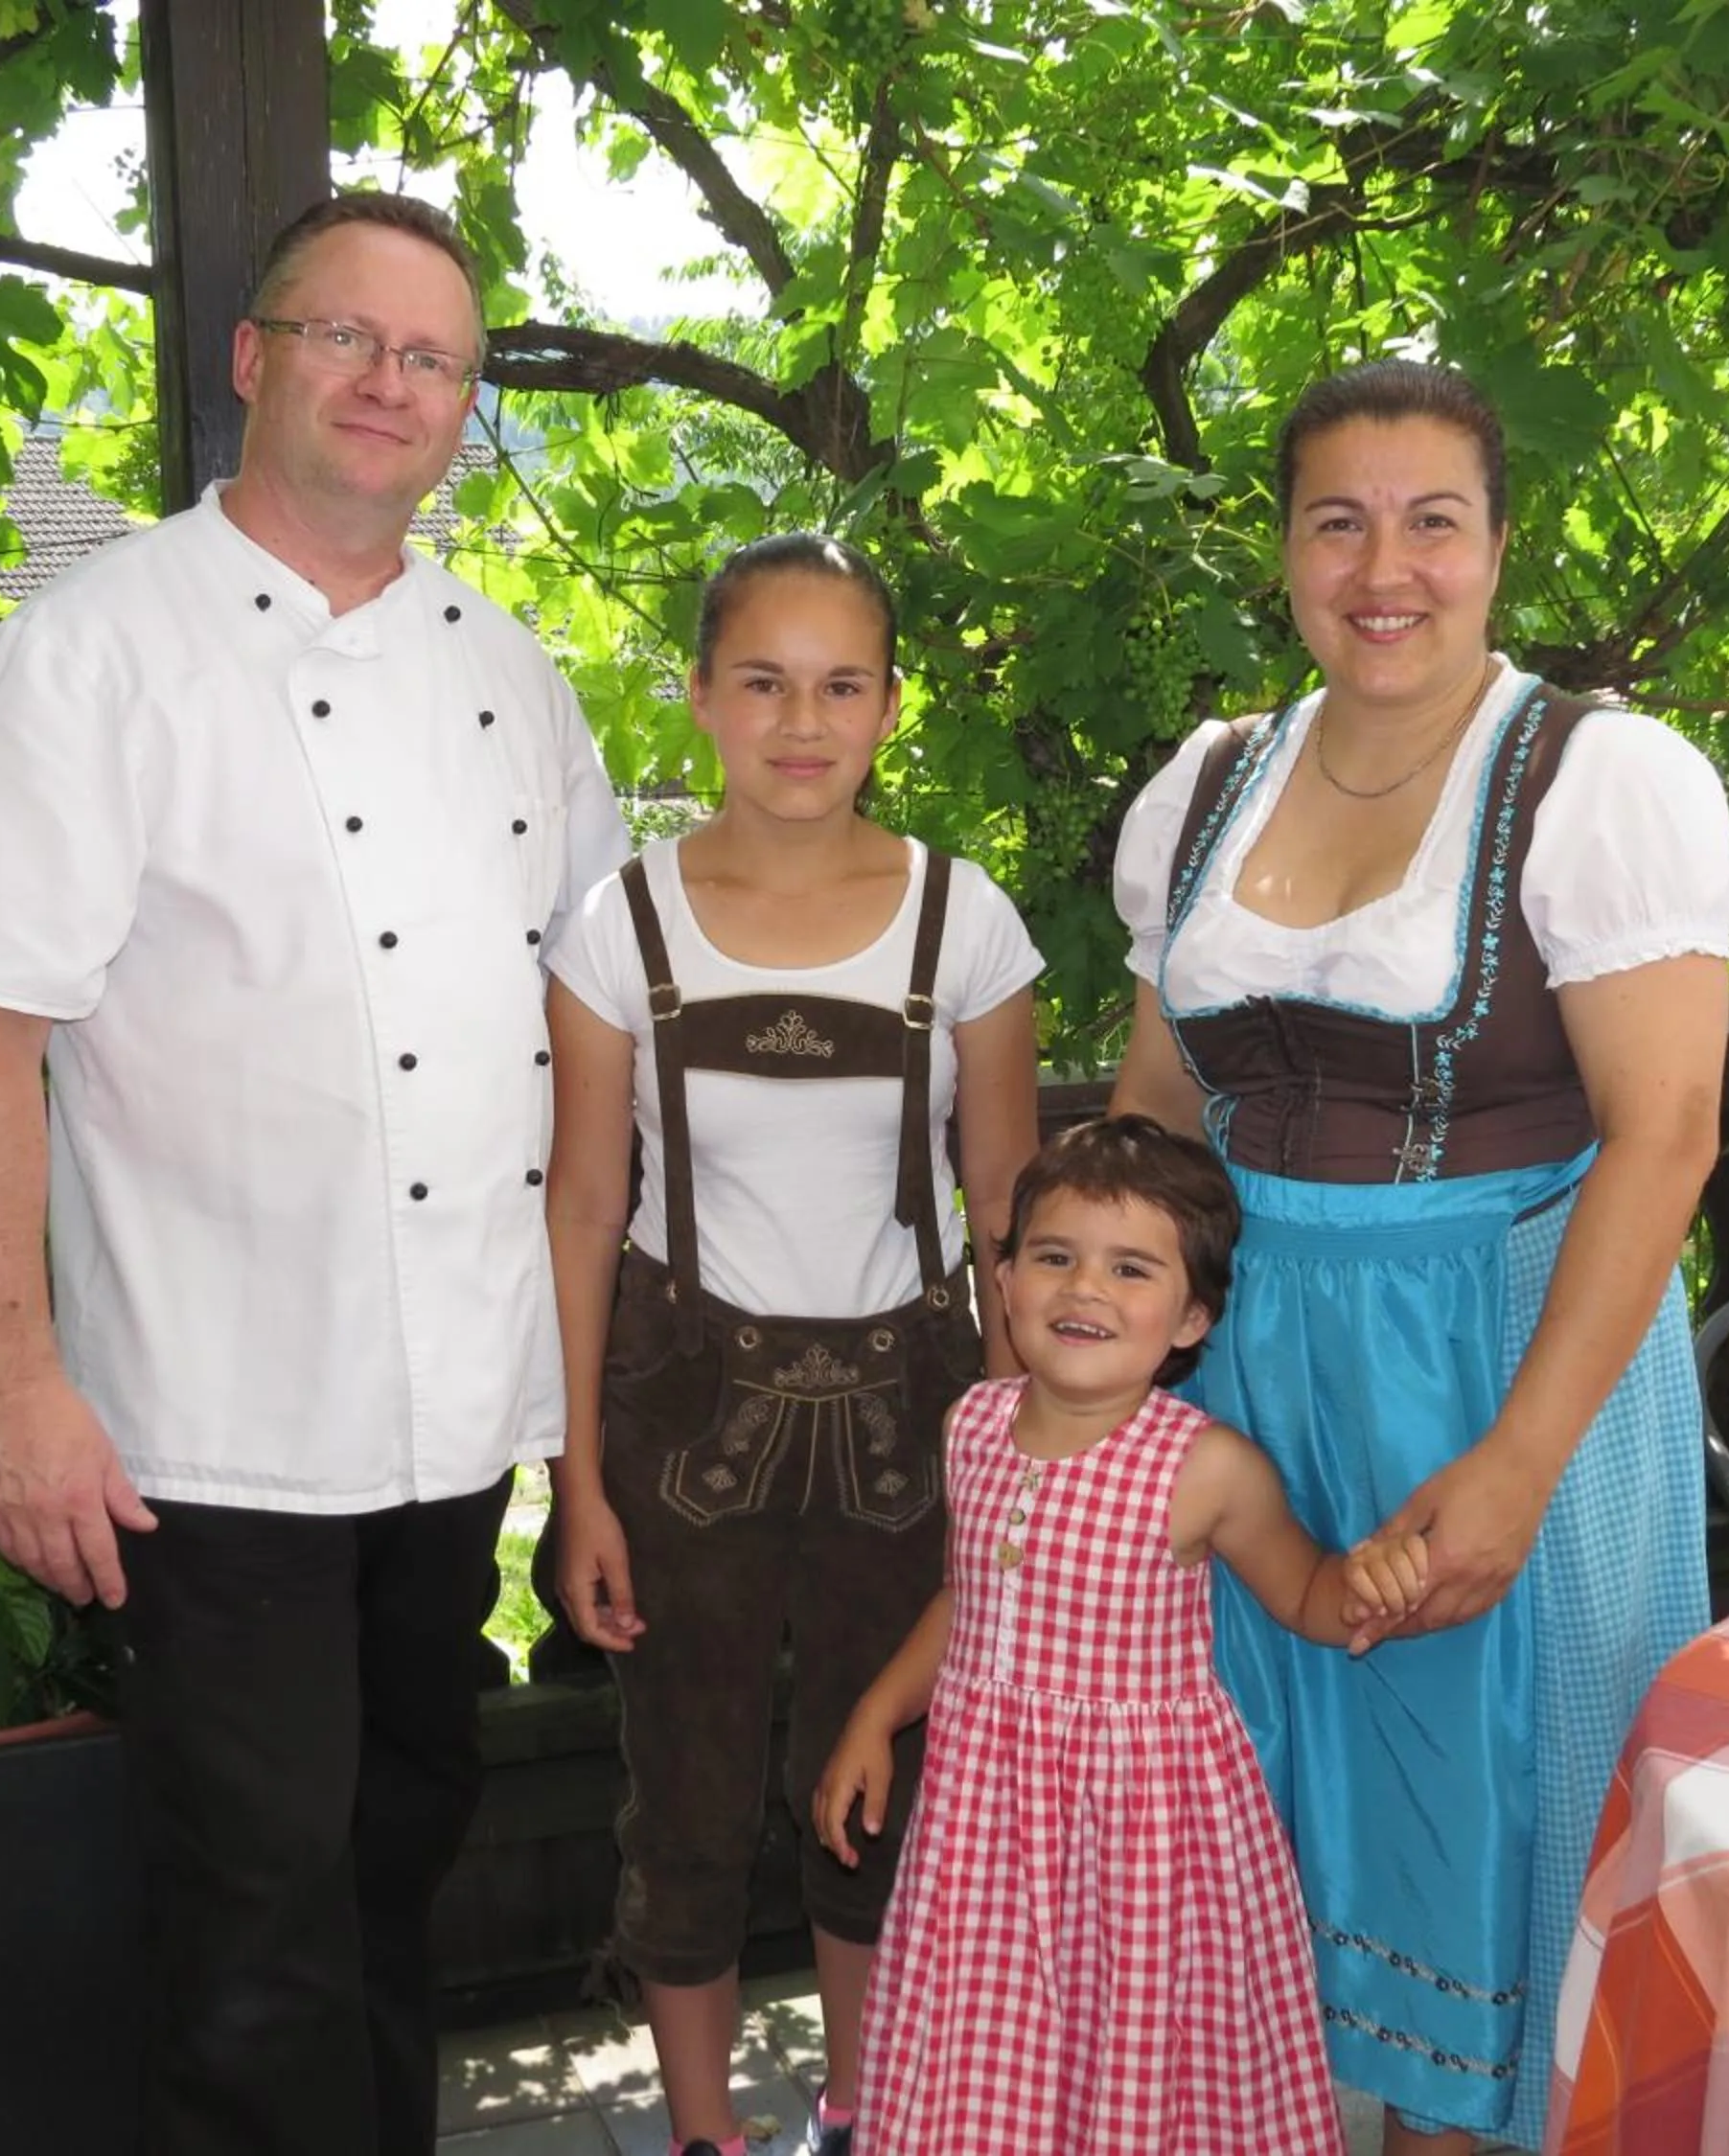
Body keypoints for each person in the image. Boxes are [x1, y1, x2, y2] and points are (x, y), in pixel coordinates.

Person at [0, 193, 628, 2156]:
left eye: (434, 358)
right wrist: (18, 1384)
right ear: (253, 359)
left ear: (468, 407)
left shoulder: (514, 669)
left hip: (448, 1406)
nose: (390, 382)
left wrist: (588, 1413)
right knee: (255, 1908)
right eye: (348, 338)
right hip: (206, 1417)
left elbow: (593, 1018)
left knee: (400, 1846)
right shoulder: (85, 656)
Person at [1106, 357, 1729, 2153]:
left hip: (1499, 1368)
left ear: (1496, 549)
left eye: (1433, 521)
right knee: (1264, 1831)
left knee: (1483, 1832)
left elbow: (1667, 1133)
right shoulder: (1215, 780)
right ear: (1288, 553)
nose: (1386, 566)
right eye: (1339, 520)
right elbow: (1160, 1106)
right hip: (1255, 1390)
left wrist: (1516, 1469)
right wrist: (1080, 1369)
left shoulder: (1599, 777)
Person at [541, 533, 1044, 2156]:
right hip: (677, 1417)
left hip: (911, 1411)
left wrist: (1039, 1445)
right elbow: (581, 1208)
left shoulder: (967, 924)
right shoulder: (618, 930)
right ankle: (701, 2134)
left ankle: (865, 2116)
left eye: (841, 685)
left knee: (876, 1779)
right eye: (762, 681)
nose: (801, 720)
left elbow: (1011, 1203)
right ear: (699, 699)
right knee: (680, 1791)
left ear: (892, 708)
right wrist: (577, 1480)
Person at [812, 1114, 1428, 2153]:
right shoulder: (975, 1426)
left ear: (1191, 1317)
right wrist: (877, 1712)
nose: (1084, 1288)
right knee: (985, 2053)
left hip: (1145, 1838)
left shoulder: (1204, 1468)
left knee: (1137, 2057)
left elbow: (1309, 1596)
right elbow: (973, 1598)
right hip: (982, 1830)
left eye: (1130, 1269)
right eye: (1053, 1256)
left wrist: (1371, 1579)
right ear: (1002, 1283)